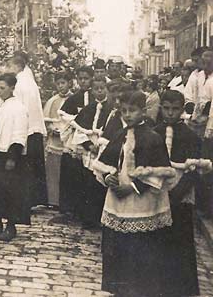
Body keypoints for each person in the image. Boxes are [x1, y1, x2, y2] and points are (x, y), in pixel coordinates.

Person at [92, 90, 175, 297]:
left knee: (139, 248)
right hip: (117, 200)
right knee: (118, 247)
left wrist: (133, 187)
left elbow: (158, 173)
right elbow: (107, 162)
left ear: (143, 111)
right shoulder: (119, 135)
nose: (127, 115)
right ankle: (119, 289)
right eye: (124, 111)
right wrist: (108, 177)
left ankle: (138, 290)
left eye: (133, 110)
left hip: (141, 201)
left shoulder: (153, 138)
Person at [156, 90, 209, 297]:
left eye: (175, 109)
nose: (170, 113)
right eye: (166, 108)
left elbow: (193, 172)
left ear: (182, 109)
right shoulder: (154, 133)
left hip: (180, 197)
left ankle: (179, 288)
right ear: (160, 108)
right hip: (156, 193)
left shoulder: (191, 137)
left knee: (179, 241)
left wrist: (176, 194)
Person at [0, 73, 30, 242]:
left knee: (11, 192)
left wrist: (12, 157)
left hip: (10, 155)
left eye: (2, 88)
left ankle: (11, 226)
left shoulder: (19, 108)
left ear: (12, 88)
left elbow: (20, 134)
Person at [52, 65, 94, 223]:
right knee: (72, 175)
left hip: (90, 139)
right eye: (80, 78)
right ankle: (70, 209)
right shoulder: (73, 99)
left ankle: (87, 211)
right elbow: (64, 119)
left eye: (86, 78)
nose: (83, 81)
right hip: (74, 140)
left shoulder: (96, 97)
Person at [68, 76, 111, 229]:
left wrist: (102, 146)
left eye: (102, 88)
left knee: (100, 184)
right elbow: (79, 131)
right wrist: (88, 145)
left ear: (106, 89)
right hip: (90, 152)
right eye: (96, 89)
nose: (99, 91)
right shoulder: (88, 109)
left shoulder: (111, 109)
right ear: (92, 91)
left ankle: (100, 217)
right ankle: (88, 218)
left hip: (104, 151)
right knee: (88, 184)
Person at [9, 52, 47, 207]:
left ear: (17, 66)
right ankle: (32, 200)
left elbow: (18, 108)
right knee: (32, 167)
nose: (8, 69)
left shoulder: (19, 84)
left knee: (24, 167)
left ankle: (24, 201)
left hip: (26, 128)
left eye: (10, 66)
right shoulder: (29, 80)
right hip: (34, 128)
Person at [42, 72, 72, 207]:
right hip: (55, 140)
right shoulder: (52, 101)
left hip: (68, 139)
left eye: (63, 83)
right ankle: (53, 200)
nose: (61, 86)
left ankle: (65, 201)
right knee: (53, 170)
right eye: (58, 83)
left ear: (69, 83)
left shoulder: (73, 99)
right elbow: (47, 121)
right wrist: (51, 129)